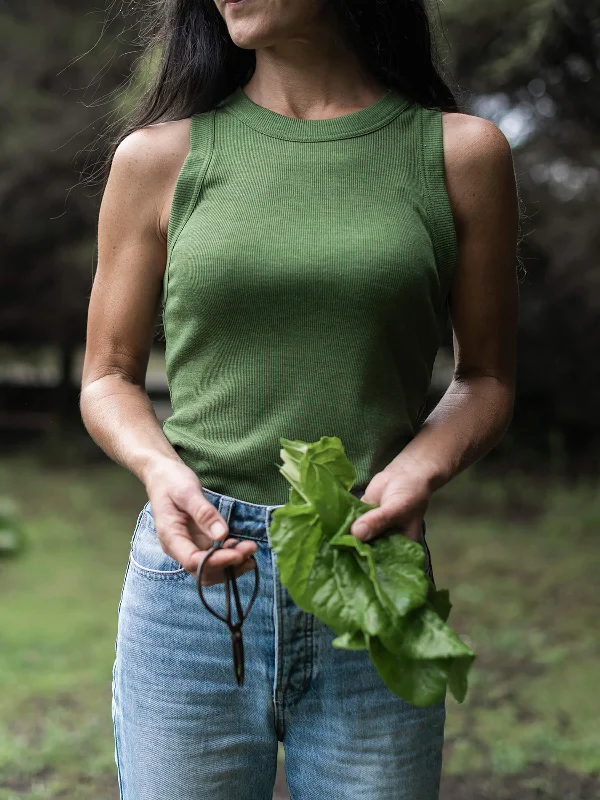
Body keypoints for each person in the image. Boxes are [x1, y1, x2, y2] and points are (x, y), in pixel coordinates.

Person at [80, 0, 518, 797]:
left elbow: (486, 377)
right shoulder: (157, 158)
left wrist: (422, 466)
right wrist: (159, 470)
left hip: (372, 572)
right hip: (197, 580)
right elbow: (107, 374)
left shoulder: (461, 154)